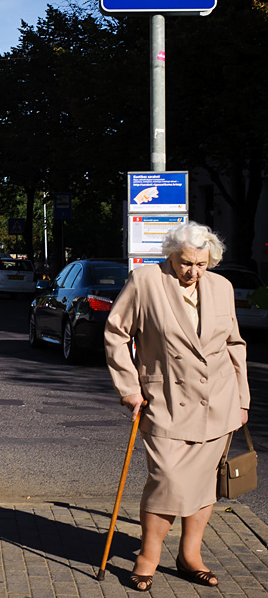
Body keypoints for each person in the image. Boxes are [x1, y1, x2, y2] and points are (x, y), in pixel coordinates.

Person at [104, 221, 249, 592]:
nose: (194, 272)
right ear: (171, 254)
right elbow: (116, 335)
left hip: (219, 402)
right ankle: (147, 558)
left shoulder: (221, 286)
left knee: (204, 485)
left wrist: (243, 398)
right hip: (166, 402)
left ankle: (190, 556)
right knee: (166, 480)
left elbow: (234, 343)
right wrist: (129, 388)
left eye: (202, 264)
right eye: (186, 263)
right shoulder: (146, 282)